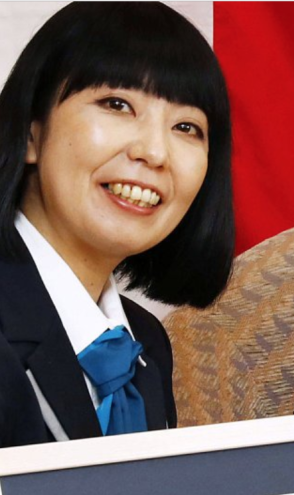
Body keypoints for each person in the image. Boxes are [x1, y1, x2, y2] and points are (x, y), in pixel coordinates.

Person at [0, 2, 235, 450]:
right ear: (31, 133)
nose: (155, 152)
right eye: (117, 104)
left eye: (186, 127)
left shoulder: (144, 344)